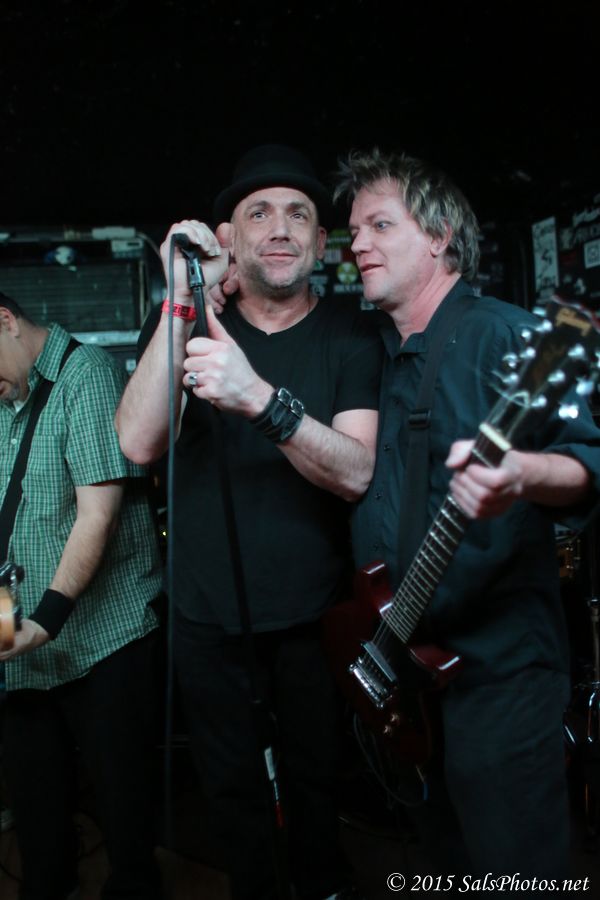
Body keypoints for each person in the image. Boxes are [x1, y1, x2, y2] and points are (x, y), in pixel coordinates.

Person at [115, 144, 382, 900]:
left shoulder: (351, 335)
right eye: (258, 213)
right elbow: (137, 443)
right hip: (207, 617)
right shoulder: (185, 320)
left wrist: (258, 399)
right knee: (232, 791)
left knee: (316, 783)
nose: (280, 227)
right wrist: (180, 299)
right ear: (228, 238)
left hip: (313, 615)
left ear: (321, 242)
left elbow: (357, 472)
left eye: (298, 214)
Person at [334, 149, 600, 883]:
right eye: (353, 231)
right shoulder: (376, 354)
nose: (357, 245)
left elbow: (587, 461)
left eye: (379, 225)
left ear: (440, 234)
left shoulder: (505, 336)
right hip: (408, 674)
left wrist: (524, 475)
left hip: (499, 675)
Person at [0, 293, 164, 900]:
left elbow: (99, 515)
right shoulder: (6, 391)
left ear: (6, 321)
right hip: (22, 649)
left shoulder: (87, 375)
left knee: (126, 828)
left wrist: (45, 620)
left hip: (101, 642)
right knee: (38, 829)